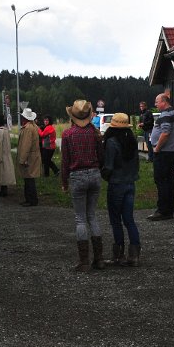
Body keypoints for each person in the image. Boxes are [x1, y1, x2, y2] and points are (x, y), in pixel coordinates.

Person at [61, 99, 105, 271]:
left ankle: (84, 261)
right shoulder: (95, 133)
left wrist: (64, 181)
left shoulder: (67, 134)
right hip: (94, 174)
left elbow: (65, 161)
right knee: (92, 216)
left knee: (80, 218)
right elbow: (101, 157)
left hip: (77, 176)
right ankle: (99, 259)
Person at [100, 113, 141, 267]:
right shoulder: (132, 141)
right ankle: (135, 255)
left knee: (116, 220)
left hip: (116, 184)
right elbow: (137, 164)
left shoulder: (111, 142)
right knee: (129, 219)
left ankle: (119, 255)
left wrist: (104, 175)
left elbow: (109, 166)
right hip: (131, 183)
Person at [147, 93, 174, 221]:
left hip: (164, 152)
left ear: (164, 102)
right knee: (170, 180)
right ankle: (169, 210)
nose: (155, 104)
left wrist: (157, 148)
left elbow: (165, 133)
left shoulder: (166, 114)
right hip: (172, 151)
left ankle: (162, 211)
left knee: (162, 181)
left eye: (157, 102)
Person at [17, 108, 42, 207]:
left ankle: (31, 200)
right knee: (29, 179)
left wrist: (22, 159)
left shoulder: (27, 128)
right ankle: (30, 199)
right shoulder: (33, 126)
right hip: (33, 156)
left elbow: (25, 145)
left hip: (29, 158)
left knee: (29, 179)